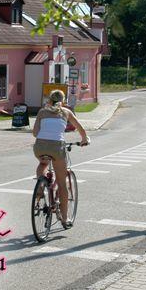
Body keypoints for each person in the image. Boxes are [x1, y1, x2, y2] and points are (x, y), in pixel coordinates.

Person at [32, 90, 89, 229]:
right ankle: (65, 218)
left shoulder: (41, 112)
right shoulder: (66, 112)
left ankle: (41, 185)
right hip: (57, 147)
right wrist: (84, 139)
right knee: (62, 185)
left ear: (50, 99)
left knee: (43, 163)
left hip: (40, 146)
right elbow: (80, 128)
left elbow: (35, 133)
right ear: (63, 101)